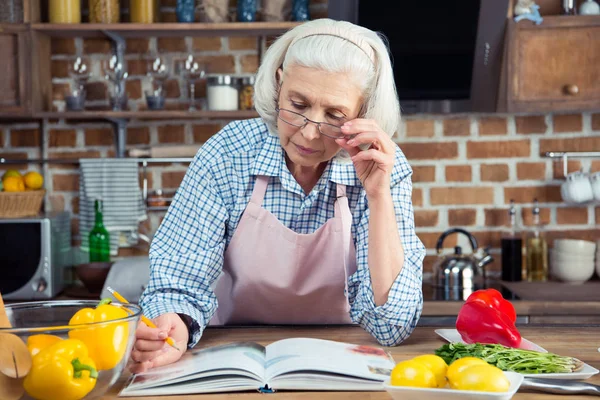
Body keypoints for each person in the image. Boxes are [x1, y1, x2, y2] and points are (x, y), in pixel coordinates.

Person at [130, 17, 426, 374]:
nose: (310, 134)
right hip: (233, 356)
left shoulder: (380, 166)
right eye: (298, 105)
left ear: (363, 115)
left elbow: (393, 327)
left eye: (334, 116)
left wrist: (378, 196)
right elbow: (178, 284)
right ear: (278, 82)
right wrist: (171, 325)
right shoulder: (228, 155)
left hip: (343, 363)